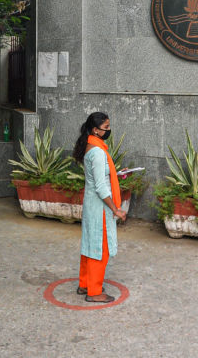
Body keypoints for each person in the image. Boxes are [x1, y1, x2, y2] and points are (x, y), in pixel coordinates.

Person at [73, 111, 126, 303]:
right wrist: (115, 209)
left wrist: (114, 174)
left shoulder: (92, 146)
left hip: (92, 204)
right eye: (106, 127)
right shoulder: (97, 152)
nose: (109, 130)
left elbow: (99, 176)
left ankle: (84, 284)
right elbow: (101, 187)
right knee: (99, 249)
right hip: (99, 207)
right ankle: (94, 292)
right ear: (95, 130)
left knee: (90, 244)